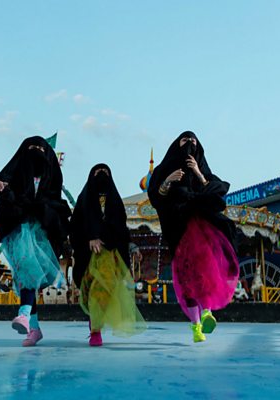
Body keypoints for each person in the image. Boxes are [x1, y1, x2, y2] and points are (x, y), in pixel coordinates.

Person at [148, 131, 239, 343]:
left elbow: (216, 192)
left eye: (193, 141)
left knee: (204, 270)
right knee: (186, 279)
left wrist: (198, 173)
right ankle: (196, 326)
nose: (189, 143)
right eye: (184, 140)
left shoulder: (203, 170)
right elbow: (156, 198)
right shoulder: (163, 169)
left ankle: (206, 313)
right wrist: (167, 181)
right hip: (178, 229)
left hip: (201, 229)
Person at [0, 136, 71, 346]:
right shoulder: (16, 175)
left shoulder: (50, 179)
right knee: (26, 274)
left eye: (40, 148)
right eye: (31, 147)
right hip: (19, 226)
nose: (35, 150)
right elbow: (4, 183)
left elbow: (54, 202)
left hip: (42, 230)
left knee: (27, 274)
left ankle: (28, 318)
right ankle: (31, 324)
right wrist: (1, 186)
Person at [70, 164, 146, 346]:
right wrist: (90, 238)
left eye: (105, 172)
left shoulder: (115, 201)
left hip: (110, 255)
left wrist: (132, 247)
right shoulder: (83, 199)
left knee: (102, 291)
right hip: (88, 255)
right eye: (97, 172)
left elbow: (121, 228)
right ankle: (94, 326)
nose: (101, 174)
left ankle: (95, 332)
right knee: (90, 293)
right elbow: (75, 226)